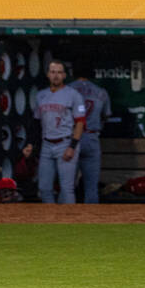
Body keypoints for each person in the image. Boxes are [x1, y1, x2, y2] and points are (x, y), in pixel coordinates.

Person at [23, 60, 85, 204]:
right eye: (52, 72)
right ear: (47, 75)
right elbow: (36, 123)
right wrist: (30, 144)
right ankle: (50, 221)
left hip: (65, 142)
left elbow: (80, 122)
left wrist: (73, 146)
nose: (56, 75)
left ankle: (69, 223)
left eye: (59, 72)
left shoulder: (74, 95)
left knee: (66, 188)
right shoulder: (41, 95)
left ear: (64, 75)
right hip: (47, 144)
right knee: (44, 188)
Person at [68, 74, 111, 204]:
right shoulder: (100, 91)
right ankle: (92, 222)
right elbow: (106, 116)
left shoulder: (68, 90)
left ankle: (64, 220)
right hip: (91, 136)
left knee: (67, 187)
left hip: (71, 139)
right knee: (91, 188)